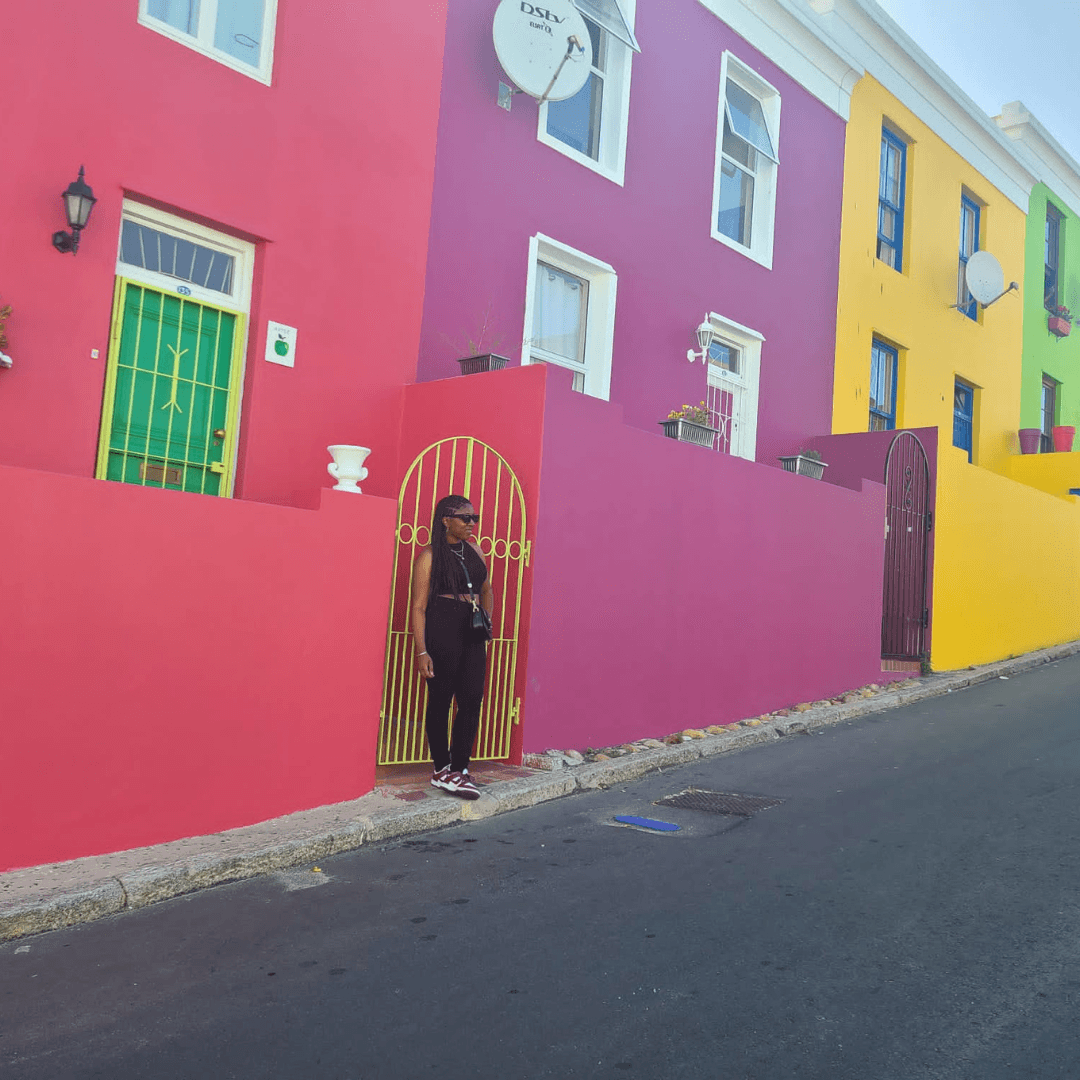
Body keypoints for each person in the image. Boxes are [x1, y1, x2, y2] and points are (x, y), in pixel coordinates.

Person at [410, 494, 493, 799]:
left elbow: (487, 589)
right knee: (441, 700)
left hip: (472, 629)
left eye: (475, 518)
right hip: (442, 626)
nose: (472, 523)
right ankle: (441, 769)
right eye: (465, 518)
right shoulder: (429, 555)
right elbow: (418, 607)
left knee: (472, 699)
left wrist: (486, 619)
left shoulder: (475, 549)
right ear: (446, 520)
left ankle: (461, 769)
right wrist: (422, 651)